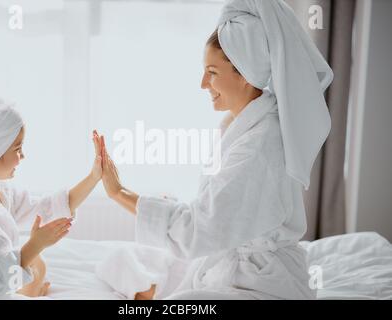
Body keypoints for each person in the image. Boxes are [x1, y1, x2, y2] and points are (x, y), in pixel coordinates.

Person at [95, 0, 333, 300]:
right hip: (228, 259)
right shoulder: (242, 125)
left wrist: (119, 193)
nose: (202, 83)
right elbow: (216, 214)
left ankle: (151, 293)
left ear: (244, 73)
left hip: (263, 284)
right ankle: (151, 291)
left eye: (212, 72)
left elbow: (199, 228)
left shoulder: (260, 146)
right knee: (120, 260)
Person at [0, 72, 103, 299]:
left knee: (38, 266)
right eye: (17, 149)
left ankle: (33, 285)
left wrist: (94, 177)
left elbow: (45, 207)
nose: (23, 156)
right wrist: (35, 245)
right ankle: (33, 288)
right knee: (33, 264)